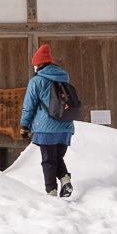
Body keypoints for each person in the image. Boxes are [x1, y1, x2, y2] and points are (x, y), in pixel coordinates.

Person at [20, 44, 75, 197]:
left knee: (48, 161)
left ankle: (51, 191)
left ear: (38, 64)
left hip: (46, 127)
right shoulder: (64, 79)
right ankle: (65, 180)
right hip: (66, 126)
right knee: (57, 157)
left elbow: (28, 106)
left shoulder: (36, 81)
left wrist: (24, 126)